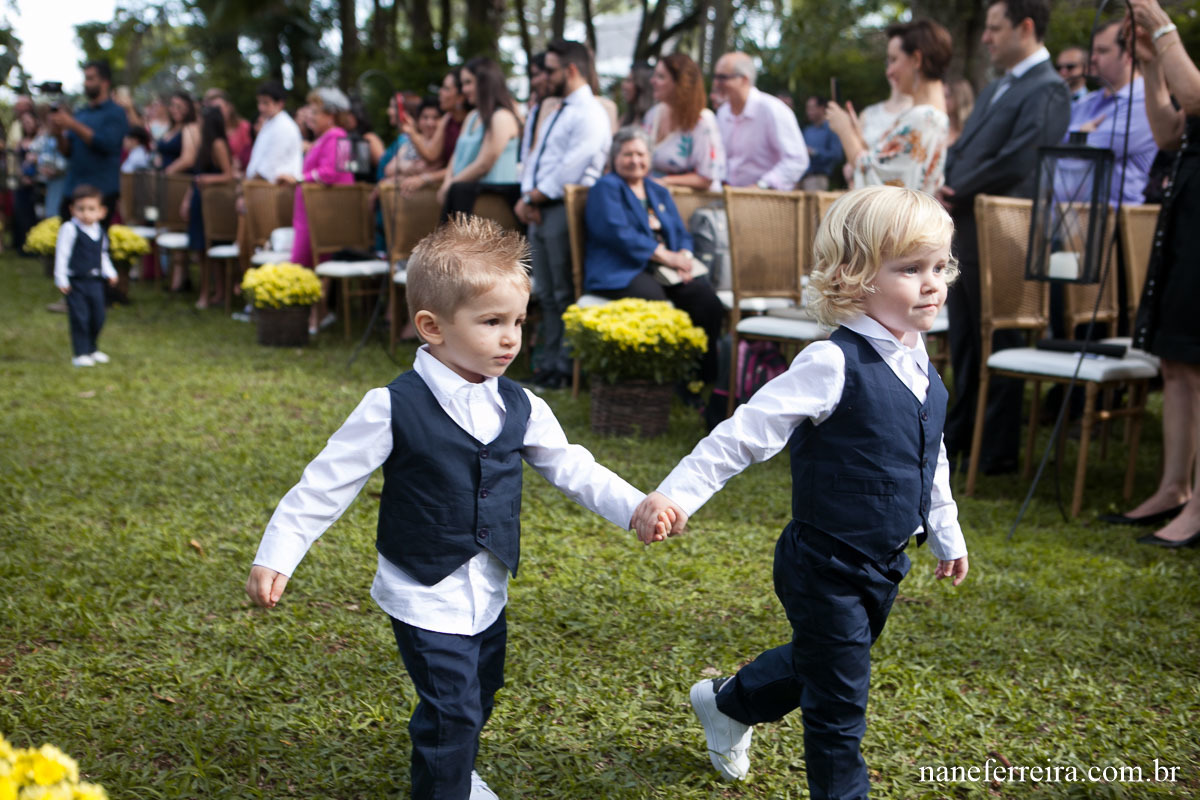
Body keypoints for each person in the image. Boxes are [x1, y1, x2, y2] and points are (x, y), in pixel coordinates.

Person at [245, 215, 661, 800]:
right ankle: (446, 780)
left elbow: (574, 467)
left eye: (517, 320)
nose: (512, 337)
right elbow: (325, 485)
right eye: (492, 322)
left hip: (487, 588)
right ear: (431, 326)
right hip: (423, 589)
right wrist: (277, 555)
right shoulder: (391, 406)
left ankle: (455, 764)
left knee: (482, 690)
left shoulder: (522, 404)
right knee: (451, 710)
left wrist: (637, 507)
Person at [631, 185, 968, 795]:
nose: (933, 283)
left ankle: (730, 704)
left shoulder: (921, 365)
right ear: (855, 276)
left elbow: (930, 453)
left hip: (884, 562)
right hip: (825, 561)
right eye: (911, 268)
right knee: (840, 704)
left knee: (824, 661)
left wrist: (944, 528)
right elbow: (743, 435)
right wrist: (675, 495)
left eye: (939, 266)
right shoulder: (832, 363)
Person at [937, 0, 1070, 475]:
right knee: (967, 340)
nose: (987, 38)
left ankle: (995, 452)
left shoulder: (1049, 89)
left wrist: (959, 188)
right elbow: (969, 149)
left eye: (995, 29)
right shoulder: (999, 87)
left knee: (1001, 338)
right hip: (969, 227)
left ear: (1025, 27)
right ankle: (960, 440)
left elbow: (1023, 159)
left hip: (1006, 234)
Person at [1105, 0, 1200, 547]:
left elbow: (1197, 97)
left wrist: (1161, 25)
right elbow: (1169, 131)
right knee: (1176, 360)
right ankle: (1174, 488)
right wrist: (1149, 62)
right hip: (1186, 210)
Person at [584, 127, 725, 383]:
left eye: (640, 153)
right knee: (655, 301)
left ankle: (701, 379)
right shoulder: (606, 188)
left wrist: (684, 256)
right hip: (622, 270)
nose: (635, 160)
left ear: (649, 158)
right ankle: (656, 382)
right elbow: (619, 234)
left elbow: (681, 232)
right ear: (615, 158)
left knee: (707, 301)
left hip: (665, 270)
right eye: (627, 154)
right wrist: (668, 257)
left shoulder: (656, 190)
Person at [515, 38, 612, 389]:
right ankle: (549, 364)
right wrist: (527, 196)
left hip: (562, 208)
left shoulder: (590, 112)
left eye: (551, 69)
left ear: (571, 70)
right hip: (541, 206)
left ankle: (566, 368)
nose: (545, 75)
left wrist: (535, 197)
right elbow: (539, 156)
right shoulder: (560, 108)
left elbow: (573, 166)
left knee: (564, 292)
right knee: (548, 292)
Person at [828, 18, 953, 194]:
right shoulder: (928, 115)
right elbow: (887, 166)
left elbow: (881, 184)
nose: (889, 71)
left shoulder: (925, 117)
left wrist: (845, 131)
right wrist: (856, 134)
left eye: (894, 60)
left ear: (917, 59)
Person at [1062, 19, 1158, 206]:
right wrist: (1080, 134)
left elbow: (1098, 148)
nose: (1093, 58)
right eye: (1093, 51)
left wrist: (1076, 136)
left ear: (1129, 54)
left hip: (1114, 225)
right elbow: (1051, 136)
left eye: (1102, 51)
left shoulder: (1143, 102)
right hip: (1067, 221)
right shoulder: (1088, 101)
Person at [289, 87, 356, 335]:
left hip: (322, 214)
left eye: (315, 112)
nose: (310, 117)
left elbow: (330, 174)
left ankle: (313, 318)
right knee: (309, 264)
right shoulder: (326, 137)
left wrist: (297, 178)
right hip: (310, 213)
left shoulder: (337, 135)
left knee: (306, 263)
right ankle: (316, 316)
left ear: (330, 115)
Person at [437, 56, 522, 218]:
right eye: (463, 84)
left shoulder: (502, 117)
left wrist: (453, 184)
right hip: (462, 197)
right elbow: (456, 155)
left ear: (485, 82)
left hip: (490, 202)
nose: (464, 90)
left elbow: (484, 164)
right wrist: (448, 181)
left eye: (468, 83)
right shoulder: (472, 117)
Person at [712, 52, 809, 189]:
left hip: (767, 203)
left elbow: (797, 160)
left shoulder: (772, 110)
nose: (716, 83)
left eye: (722, 78)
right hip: (728, 199)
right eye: (715, 77)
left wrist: (762, 185)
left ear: (744, 79)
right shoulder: (723, 113)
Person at [48, 60, 129, 222]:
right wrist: (57, 133)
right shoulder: (81, 113)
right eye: (85, 78)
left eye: (91, 79)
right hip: (73, 190)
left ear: (105, 83)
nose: (86, 83)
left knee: (94, 244)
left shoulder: (116, 113)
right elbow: (68, 152)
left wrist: (72, 124)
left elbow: (106, 144)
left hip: (101, 193)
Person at [642, 52, 726, 191]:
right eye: (655, 75)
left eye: (661, 77)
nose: (653, 81)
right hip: (656, 198)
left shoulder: (702, 120)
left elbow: (707, 178)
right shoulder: (653, 114)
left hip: (691, 204)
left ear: (681, 83)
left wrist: (665, 181)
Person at [54, 184, 118, 367]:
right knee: (80, 317)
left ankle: (92, 348)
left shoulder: (100, 231)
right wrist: (61, 278)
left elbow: (102, 255)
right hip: (77, 281)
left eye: (91, 209)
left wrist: (110, 272)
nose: (86, 214)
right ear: (72, 209)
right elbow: (62, 254)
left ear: (101, 212)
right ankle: (80, 352)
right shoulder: (69, 229)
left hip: (95, 282)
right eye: (80, 209)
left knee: (98, 315)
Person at [181, 106, 234, 308]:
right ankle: (211, 292)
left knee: (208, 248)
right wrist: (186, 200)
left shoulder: (218, 144)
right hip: (198, 199)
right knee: (200, 250)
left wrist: (207, 179)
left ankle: (214, 293)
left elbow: (228, 175)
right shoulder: (203, 144)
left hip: (212, 203)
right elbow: (194, 177)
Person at [405, 69, 469, 181]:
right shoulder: (447, 119)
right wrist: (411, 132)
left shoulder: (471, 120)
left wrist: (424, 178)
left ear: (460, 96)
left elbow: (463, 166)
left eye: (446, 89)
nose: (440, 92)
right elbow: (431, 155)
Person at [243, 80, 303, 184]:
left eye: (265, 103)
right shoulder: (270, 122)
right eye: (259, 102)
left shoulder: (284, 126)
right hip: (262, 187)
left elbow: (270, 165)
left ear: (280, 103)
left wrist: (247, 186)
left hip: (275, 190)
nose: (260, 107)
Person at [204, 88, 252, 172]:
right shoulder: (211, 130)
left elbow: (249, 153)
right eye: (213, 109)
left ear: (229, 107)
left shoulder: (244, 126)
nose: (216, 112)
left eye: (219, 108)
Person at [800, 95, 842, 191]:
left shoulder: (831, 129)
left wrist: (814, 152)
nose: (808, 112)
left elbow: (837, 155)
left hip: (818, 178)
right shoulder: (807, 130)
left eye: (811, 108)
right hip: (801, 178)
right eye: (807, 108)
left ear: (822, 108)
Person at [159, 91, 199, 173]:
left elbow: (188, 160)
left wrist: (165, 173)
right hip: (164, 179)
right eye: (173, 106)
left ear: (188, 109)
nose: (175, 110)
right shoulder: (171, 128)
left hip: (179, 180)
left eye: (179, 107)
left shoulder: (190, 128)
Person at [619, 61, 655, 127]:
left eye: (629, 81)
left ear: (641, 85)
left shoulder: (653, 119)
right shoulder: (626, 117)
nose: (623, 85)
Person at [944, 78, 975, 146]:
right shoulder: (940, 124)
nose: (943, 100)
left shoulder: (970, 129)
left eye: (947, 96)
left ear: (959, 98)